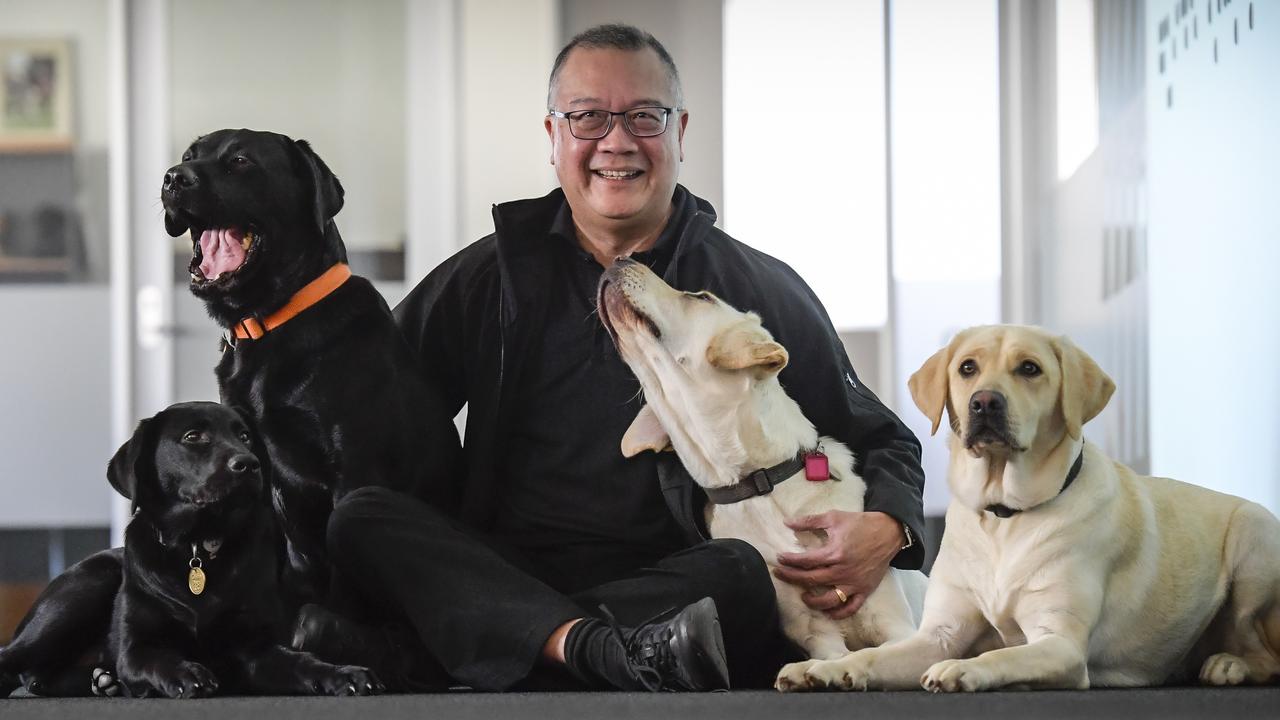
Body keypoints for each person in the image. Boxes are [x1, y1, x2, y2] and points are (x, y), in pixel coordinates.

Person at [304, 23, 926, 693]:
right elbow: (369, 404)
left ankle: (514, 649)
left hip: (676, 579)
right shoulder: (489, 277)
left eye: (644, 117)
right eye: (588, 117)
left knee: (743, 573)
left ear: (680, 131)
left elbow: (878, 436)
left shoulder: (749, 291)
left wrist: (888, 526)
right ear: (553, 137)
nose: (617, 141)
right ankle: (596, 651)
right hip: (508, 568)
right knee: (363, 516)